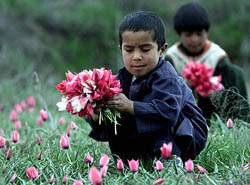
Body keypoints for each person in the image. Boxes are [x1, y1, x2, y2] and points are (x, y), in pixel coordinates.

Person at [86, 11, 208, 163]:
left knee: (144, 111)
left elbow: (168, 113)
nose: (136, 56)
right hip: (152, 131)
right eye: (129, 50)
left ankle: (170, 159)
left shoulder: (166, 75)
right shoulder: (121, 78)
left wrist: (130, 106)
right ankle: (128, 159)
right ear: (121, 49)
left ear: (162, 50)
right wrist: (97, 113)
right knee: (115, 109)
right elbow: (105, 113)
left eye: (145, 49)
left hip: (187, 135)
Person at [165, 2, 248, 119]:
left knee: (236, 72)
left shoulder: (217, 55)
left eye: (199, 34)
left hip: (213, 113)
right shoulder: (171, 57)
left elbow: (230, 92)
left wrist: (217, 95)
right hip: (181, 112)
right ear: (179, 34)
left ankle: (240, 123)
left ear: (207, 32)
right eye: (188, 35)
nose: (194, 40)